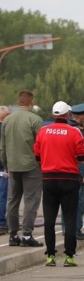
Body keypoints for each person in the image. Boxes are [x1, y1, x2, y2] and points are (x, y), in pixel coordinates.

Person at [34, 101, 84, 267]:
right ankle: (69, 256)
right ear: (67, 115)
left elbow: (37, 155)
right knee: (69, 217)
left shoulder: (43, 131)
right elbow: (81, 156)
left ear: (53, 115)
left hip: (49, 178)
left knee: (49, 219)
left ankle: (50, 256)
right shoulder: (75, 132)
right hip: (69, 178)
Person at [0, 90, 44, 247]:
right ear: (31, 102)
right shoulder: (35, 120)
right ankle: (26, 235)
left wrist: (6, 164)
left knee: (12, 201)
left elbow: (3, 146)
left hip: (13, 165)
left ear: (19, 102)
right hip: (31, 165)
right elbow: (40, 145)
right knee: (31, 201)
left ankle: (13, 235)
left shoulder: (7, 120)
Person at [67, 103, 84, 240]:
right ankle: (75, 230)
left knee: (68, 203)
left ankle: (70, 229)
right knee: (78, 202)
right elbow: (82, 155)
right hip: (76, 172)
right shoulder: (78, 131)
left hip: (68, 170)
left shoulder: (69, 128)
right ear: (80, 116)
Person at [0, 105, 11, 235]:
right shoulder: (4, 129)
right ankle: (1, 223)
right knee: (2, 196)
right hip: (2, 167)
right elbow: (4, 149)